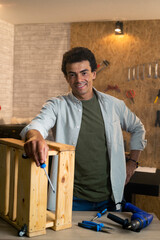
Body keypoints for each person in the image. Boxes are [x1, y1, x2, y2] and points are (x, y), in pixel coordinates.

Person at [20, 47, 147, 211]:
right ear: (66, 78)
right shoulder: (57, 105)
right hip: (71, 198)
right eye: (72, 74)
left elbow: (138, 128)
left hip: (111, 197)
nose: (79, 79)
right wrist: (35, 136)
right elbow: (37, 125)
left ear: (94, 73)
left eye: (84, 73)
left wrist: (132, 162)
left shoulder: (114, 105)